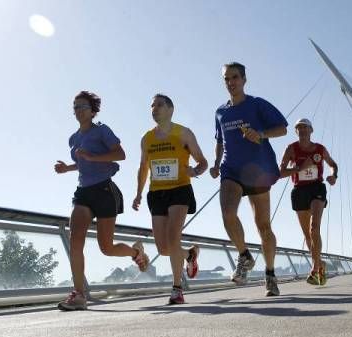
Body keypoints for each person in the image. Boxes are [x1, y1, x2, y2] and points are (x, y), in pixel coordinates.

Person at [55, 91, 149, 311]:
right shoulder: (74, 138)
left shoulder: (102, 131)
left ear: (92, 110)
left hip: (105, 190)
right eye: (75, 107)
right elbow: (83, 164)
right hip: (83, 193)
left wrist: (92, 157)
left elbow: (120, 154)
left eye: (82, 107)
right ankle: (79, 294)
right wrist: (66, 168)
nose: (78, 110)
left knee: (106, 248)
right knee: (75, 239)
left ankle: (136, 253)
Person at [210, 62, 288, 297]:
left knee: (263, 226)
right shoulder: (220, 112)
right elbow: (220, 142)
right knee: (227, 214)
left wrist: (261, 134)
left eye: (235, 77)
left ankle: (270, 274)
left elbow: (283, 128)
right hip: (230, 169)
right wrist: (215, 163)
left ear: (244, 79)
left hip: (257, 171)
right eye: (226, 78)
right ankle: (245, 256)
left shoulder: (257, 104)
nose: (231, 82)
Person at [132, 94, 208, 305]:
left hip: (180, 189)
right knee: (163, 248)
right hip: (156, 193)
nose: (154, 109)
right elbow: (143, 167)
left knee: (173, 238)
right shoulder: (146, 138)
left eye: (159, 105)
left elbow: (203, 162)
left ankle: (177, 289)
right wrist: (138, 193)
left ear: (171, 109)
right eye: (152, 105)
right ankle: (190, 255)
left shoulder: (183, 133)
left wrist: (194, 171)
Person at [279, 118, 337, 286]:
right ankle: (320, 263)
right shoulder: (291, 149)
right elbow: (280, 172)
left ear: (311, 130)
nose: (302, 130)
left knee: (315, 227)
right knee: (307, 234)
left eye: (305, 127)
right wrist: (299, 168)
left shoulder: (320, 149)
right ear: (296, 132)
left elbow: (333, 164)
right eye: (299, 128)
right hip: (299, 191)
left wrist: (334, 175)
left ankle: (315, 267)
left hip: (317, 188)